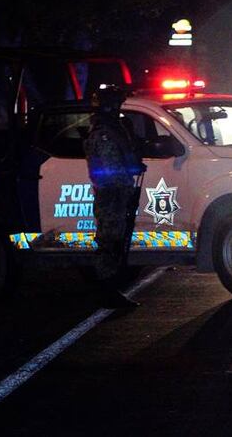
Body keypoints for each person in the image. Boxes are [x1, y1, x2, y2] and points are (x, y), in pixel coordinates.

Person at [84, 85, 145, 309]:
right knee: (110, 243)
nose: (119, 107)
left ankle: (111, 290)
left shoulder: (113, 129)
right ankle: (107, 291)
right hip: (112, 194)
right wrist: (130, 171)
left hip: (116, 193)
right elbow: (111, 168)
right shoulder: (104, 133)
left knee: (116, 243)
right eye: (117, 103)